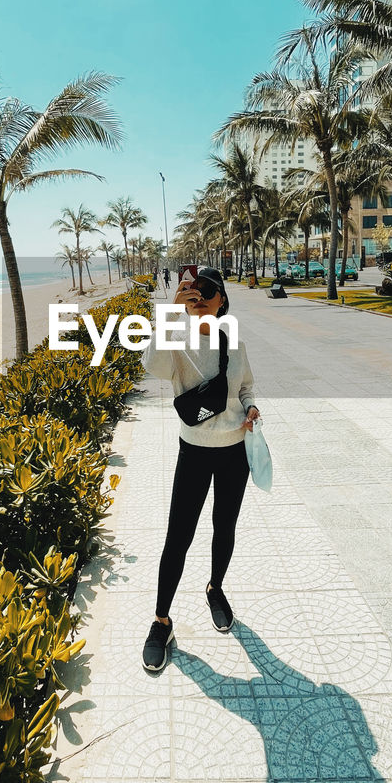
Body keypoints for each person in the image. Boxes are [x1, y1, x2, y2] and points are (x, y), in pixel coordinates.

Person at [140, 267, 260, 672]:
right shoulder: (177, 339)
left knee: (224, 527)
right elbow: (151, 367)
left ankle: (216, 589)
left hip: (234, 452)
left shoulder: (235, 341)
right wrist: (170, 313)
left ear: (223, 300)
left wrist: (251, 407)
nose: (202, 296)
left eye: (211, 291)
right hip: (194, 451)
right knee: (179, 536)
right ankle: (161, 621)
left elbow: (244, 387)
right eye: (194, 290)